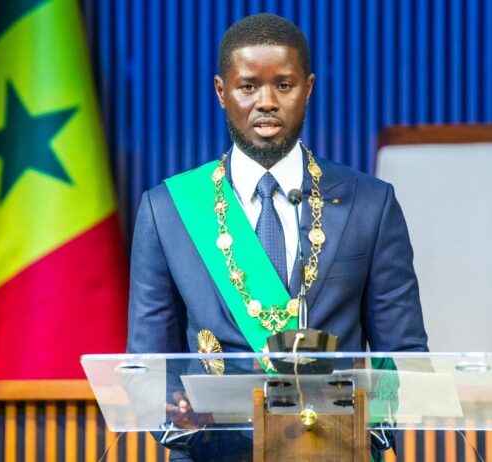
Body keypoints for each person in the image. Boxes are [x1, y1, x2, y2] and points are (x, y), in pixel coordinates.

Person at [128, 13, 428, 461]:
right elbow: (148, 364)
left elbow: (402, 355)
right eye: (248, 86)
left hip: (336, 451)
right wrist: (179, 421)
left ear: (308, 88)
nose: (266, 102)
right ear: (221, 91)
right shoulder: (168, 210)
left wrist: (371, 432)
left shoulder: (370, 203)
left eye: (283, 85)